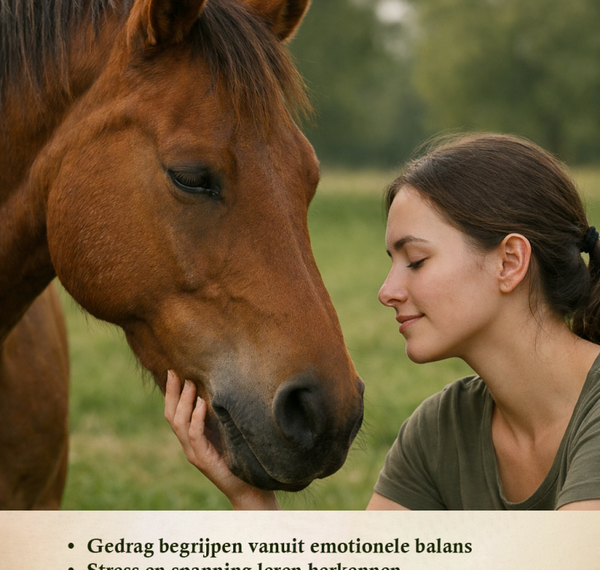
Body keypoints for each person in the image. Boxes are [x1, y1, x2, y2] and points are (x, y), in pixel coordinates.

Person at [164, 133, 600, 511]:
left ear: (510, 262)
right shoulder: (442, 429)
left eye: (416, 260)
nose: (387, 291)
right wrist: (250, 499)